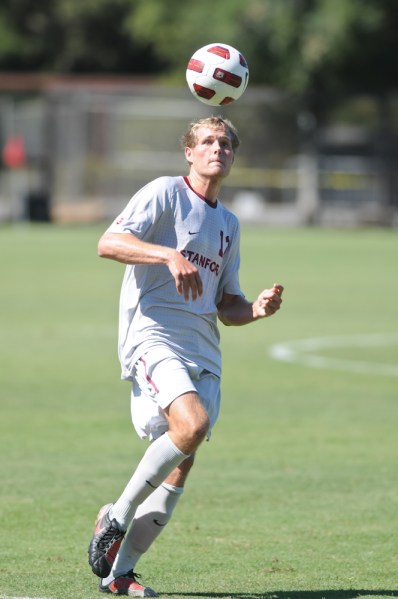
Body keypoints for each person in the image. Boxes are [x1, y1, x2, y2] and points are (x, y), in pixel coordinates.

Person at [88, 115, 284, 597]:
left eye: (226, 144)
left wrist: (255, 310)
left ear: (233, 158)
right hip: (155, 336)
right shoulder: (164, 193)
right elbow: (108, 243)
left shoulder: (229, 224)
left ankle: (121, 575)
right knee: (191, 425)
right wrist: (168, 255)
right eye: (207, 142)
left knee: (182, 460)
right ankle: (116, 516)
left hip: (205, 350)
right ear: (189, 153)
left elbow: (226, 305)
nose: (218, 149)